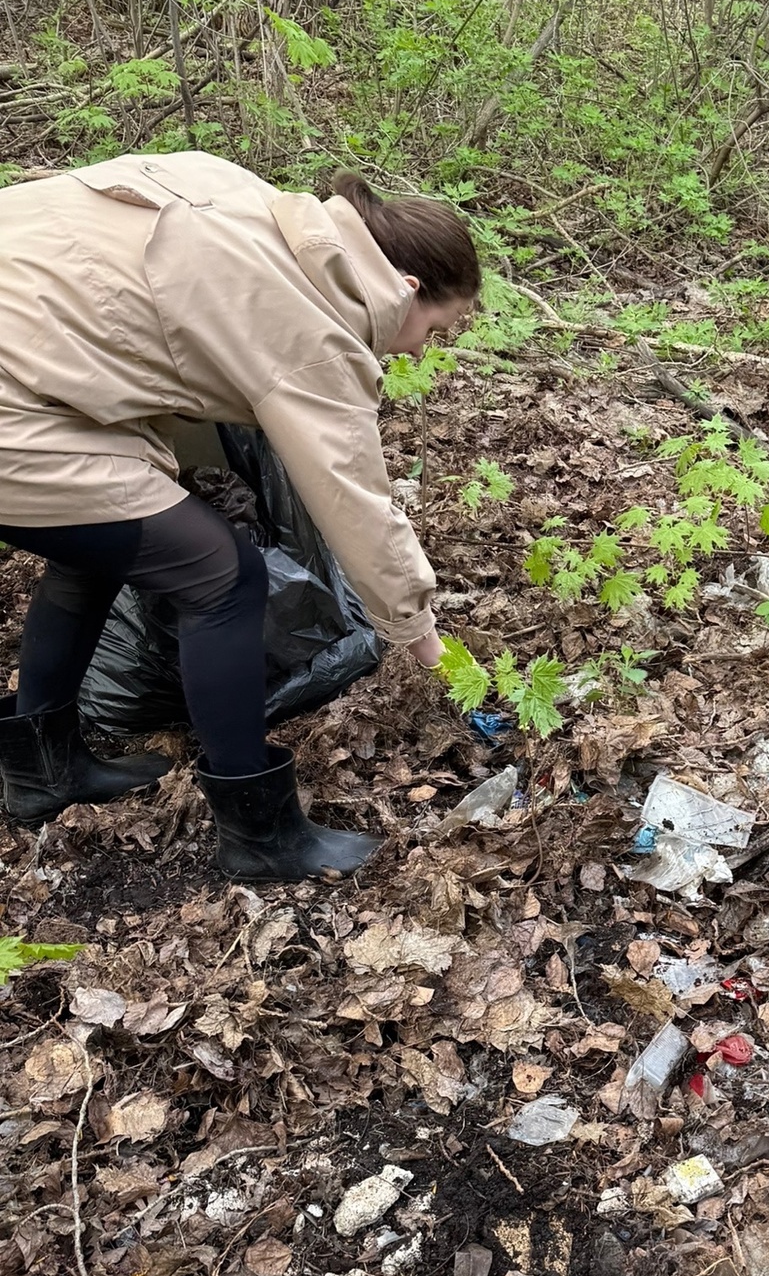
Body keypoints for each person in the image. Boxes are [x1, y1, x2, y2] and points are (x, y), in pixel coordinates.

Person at [0, 153, 478, 879]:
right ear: (406, 288)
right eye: (436, 329)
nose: (418, 350)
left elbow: (145, 331)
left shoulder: (247, 204)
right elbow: (356, 503)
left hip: (38, 376)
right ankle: (260, 835)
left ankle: (43, 769)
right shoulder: (311, 325)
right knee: (220, 578)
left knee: (103, 539)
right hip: (18, 406)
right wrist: (424, 641)